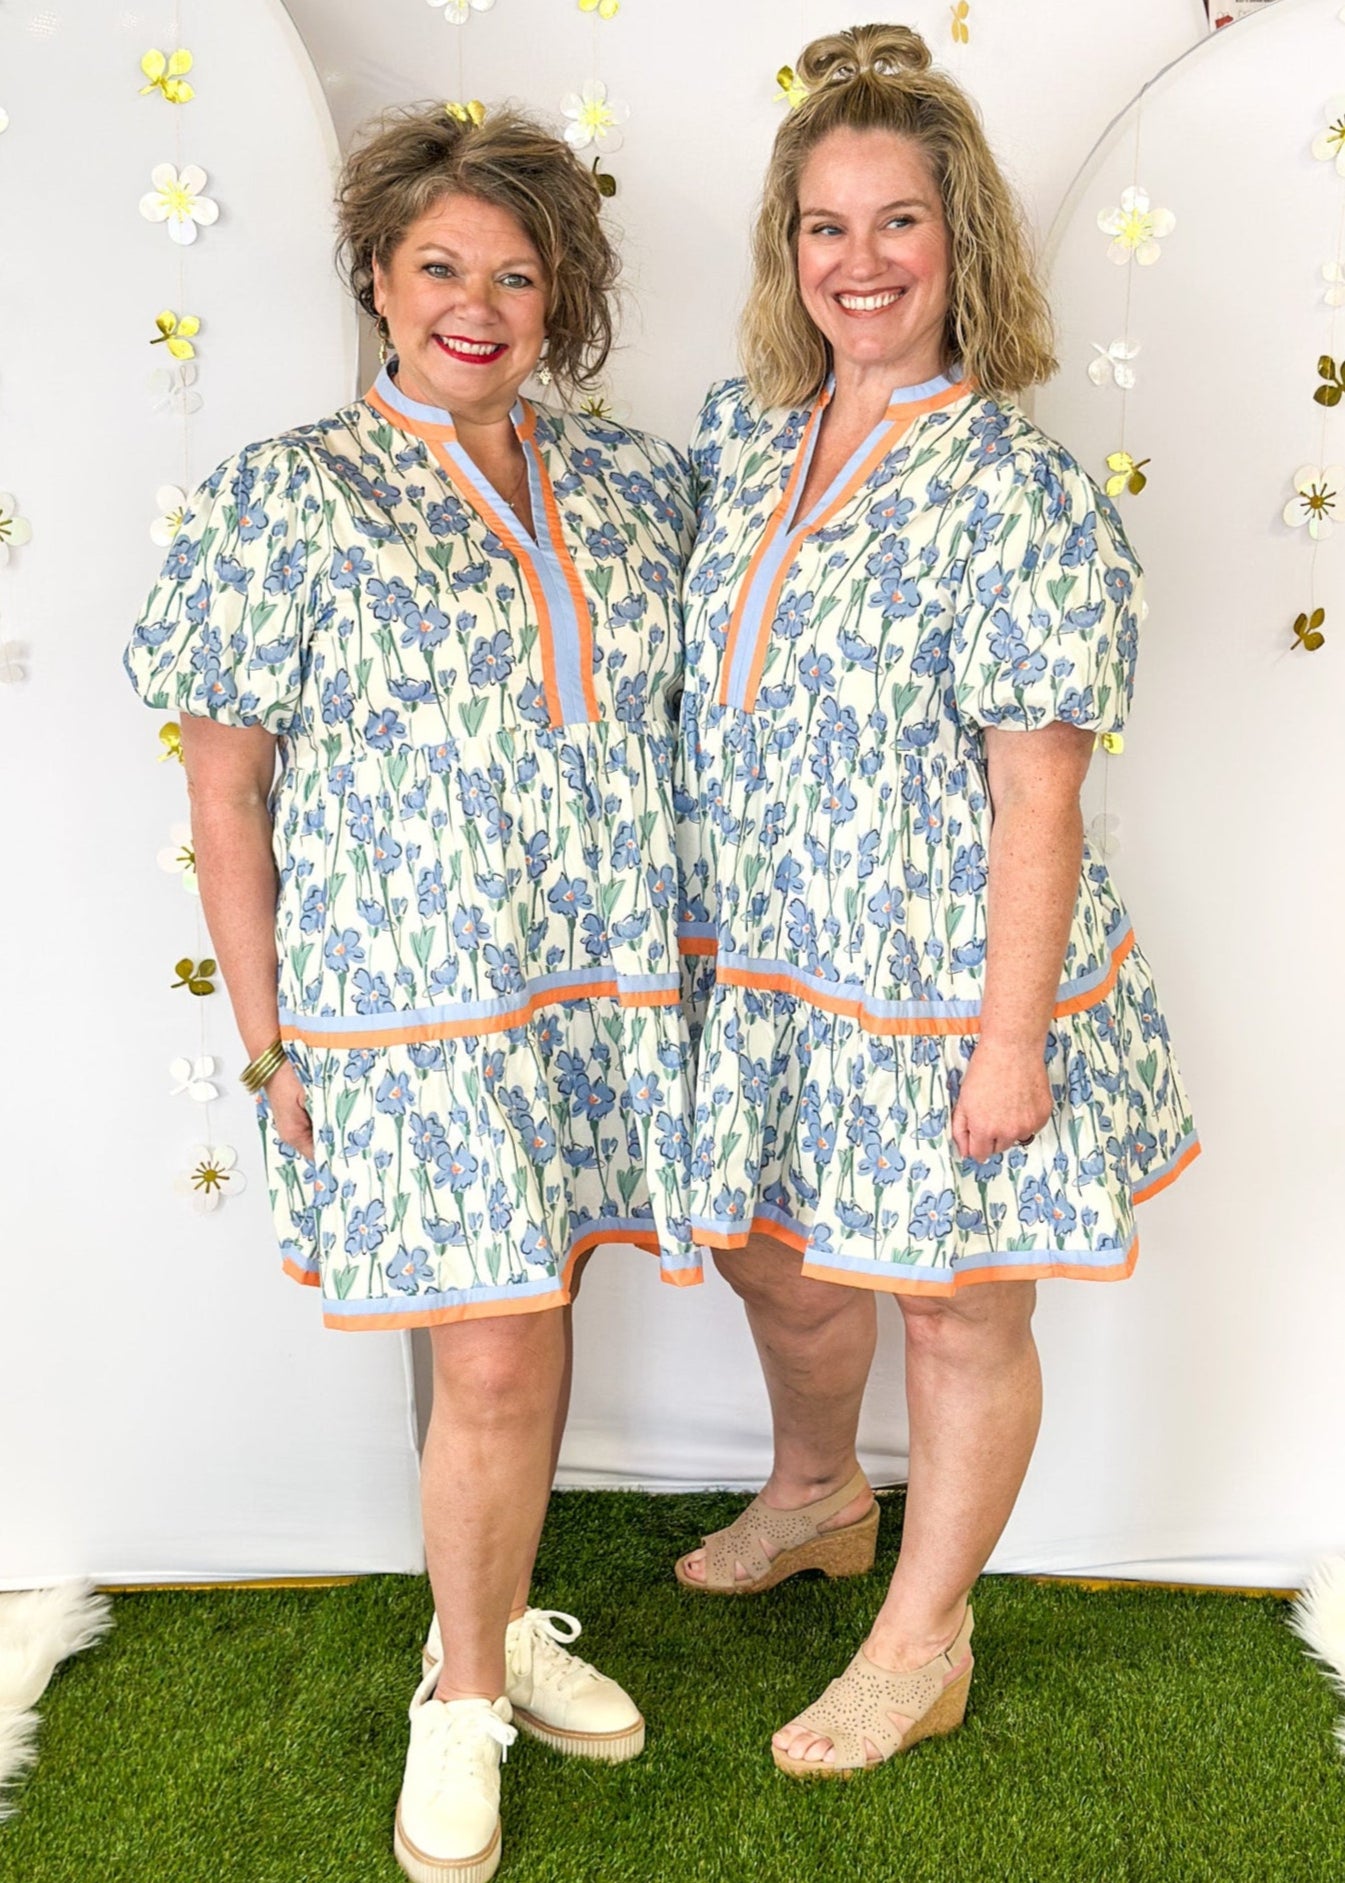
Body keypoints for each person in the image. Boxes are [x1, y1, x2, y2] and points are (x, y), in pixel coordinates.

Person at [125, 104, 697, 1882]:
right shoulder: (280, 494)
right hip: (410, 1003)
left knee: (526, 1323)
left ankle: (495, 1613)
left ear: (563, 299)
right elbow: (224, 788)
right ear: (377, 279)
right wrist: (267, 1037)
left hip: (605, 984)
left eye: (518, 274)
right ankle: (459, 1696)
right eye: (441, 265)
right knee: (501, 1343)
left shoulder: (628, 480)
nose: (478, 302)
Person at [674, 23, 1198, 1777]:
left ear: (959, 242)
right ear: (787, 251)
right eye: (826, 227)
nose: (861, 264)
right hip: (764, 969)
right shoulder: (741, 442)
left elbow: (1038, 794)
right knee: (781, 1266)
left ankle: (924, 1633)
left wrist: (1007, 1042)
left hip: (945, 979)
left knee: (955, 1302)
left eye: (898, 223)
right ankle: (819, 1494)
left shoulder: (1019, 494)